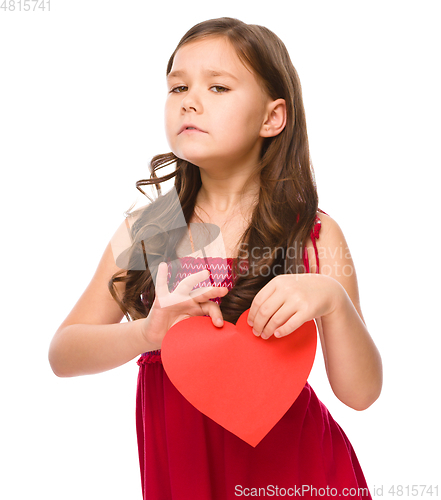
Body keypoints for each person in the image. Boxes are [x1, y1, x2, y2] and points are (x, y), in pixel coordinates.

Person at [49, 17, 382, 500]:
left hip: (302, 477)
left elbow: (362, 394)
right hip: (185, 476)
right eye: (178, 86)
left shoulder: (312, 233)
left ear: (273, 117)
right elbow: (63, 353)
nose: (189, 99)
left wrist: (332, 300)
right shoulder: (155, 229)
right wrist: (146, 333)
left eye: (219, 87)